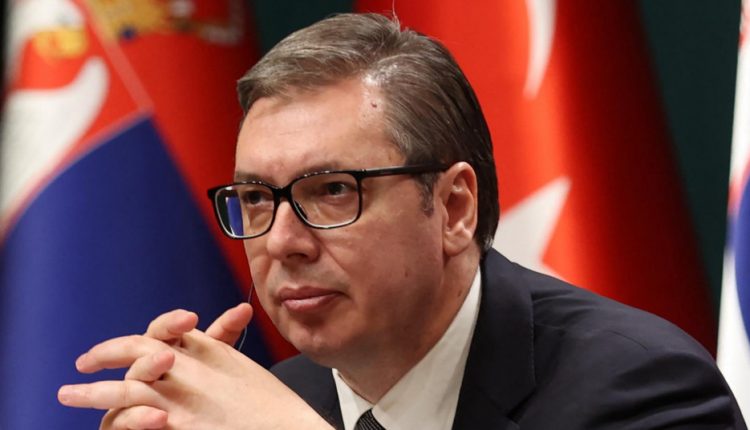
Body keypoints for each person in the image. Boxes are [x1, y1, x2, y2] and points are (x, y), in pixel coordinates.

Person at [58, 13, 746, 429]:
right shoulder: (284, 399)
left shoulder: (641, 391)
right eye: (257, 199)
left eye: (332, 191)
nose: (282, 242)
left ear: (453, 208)